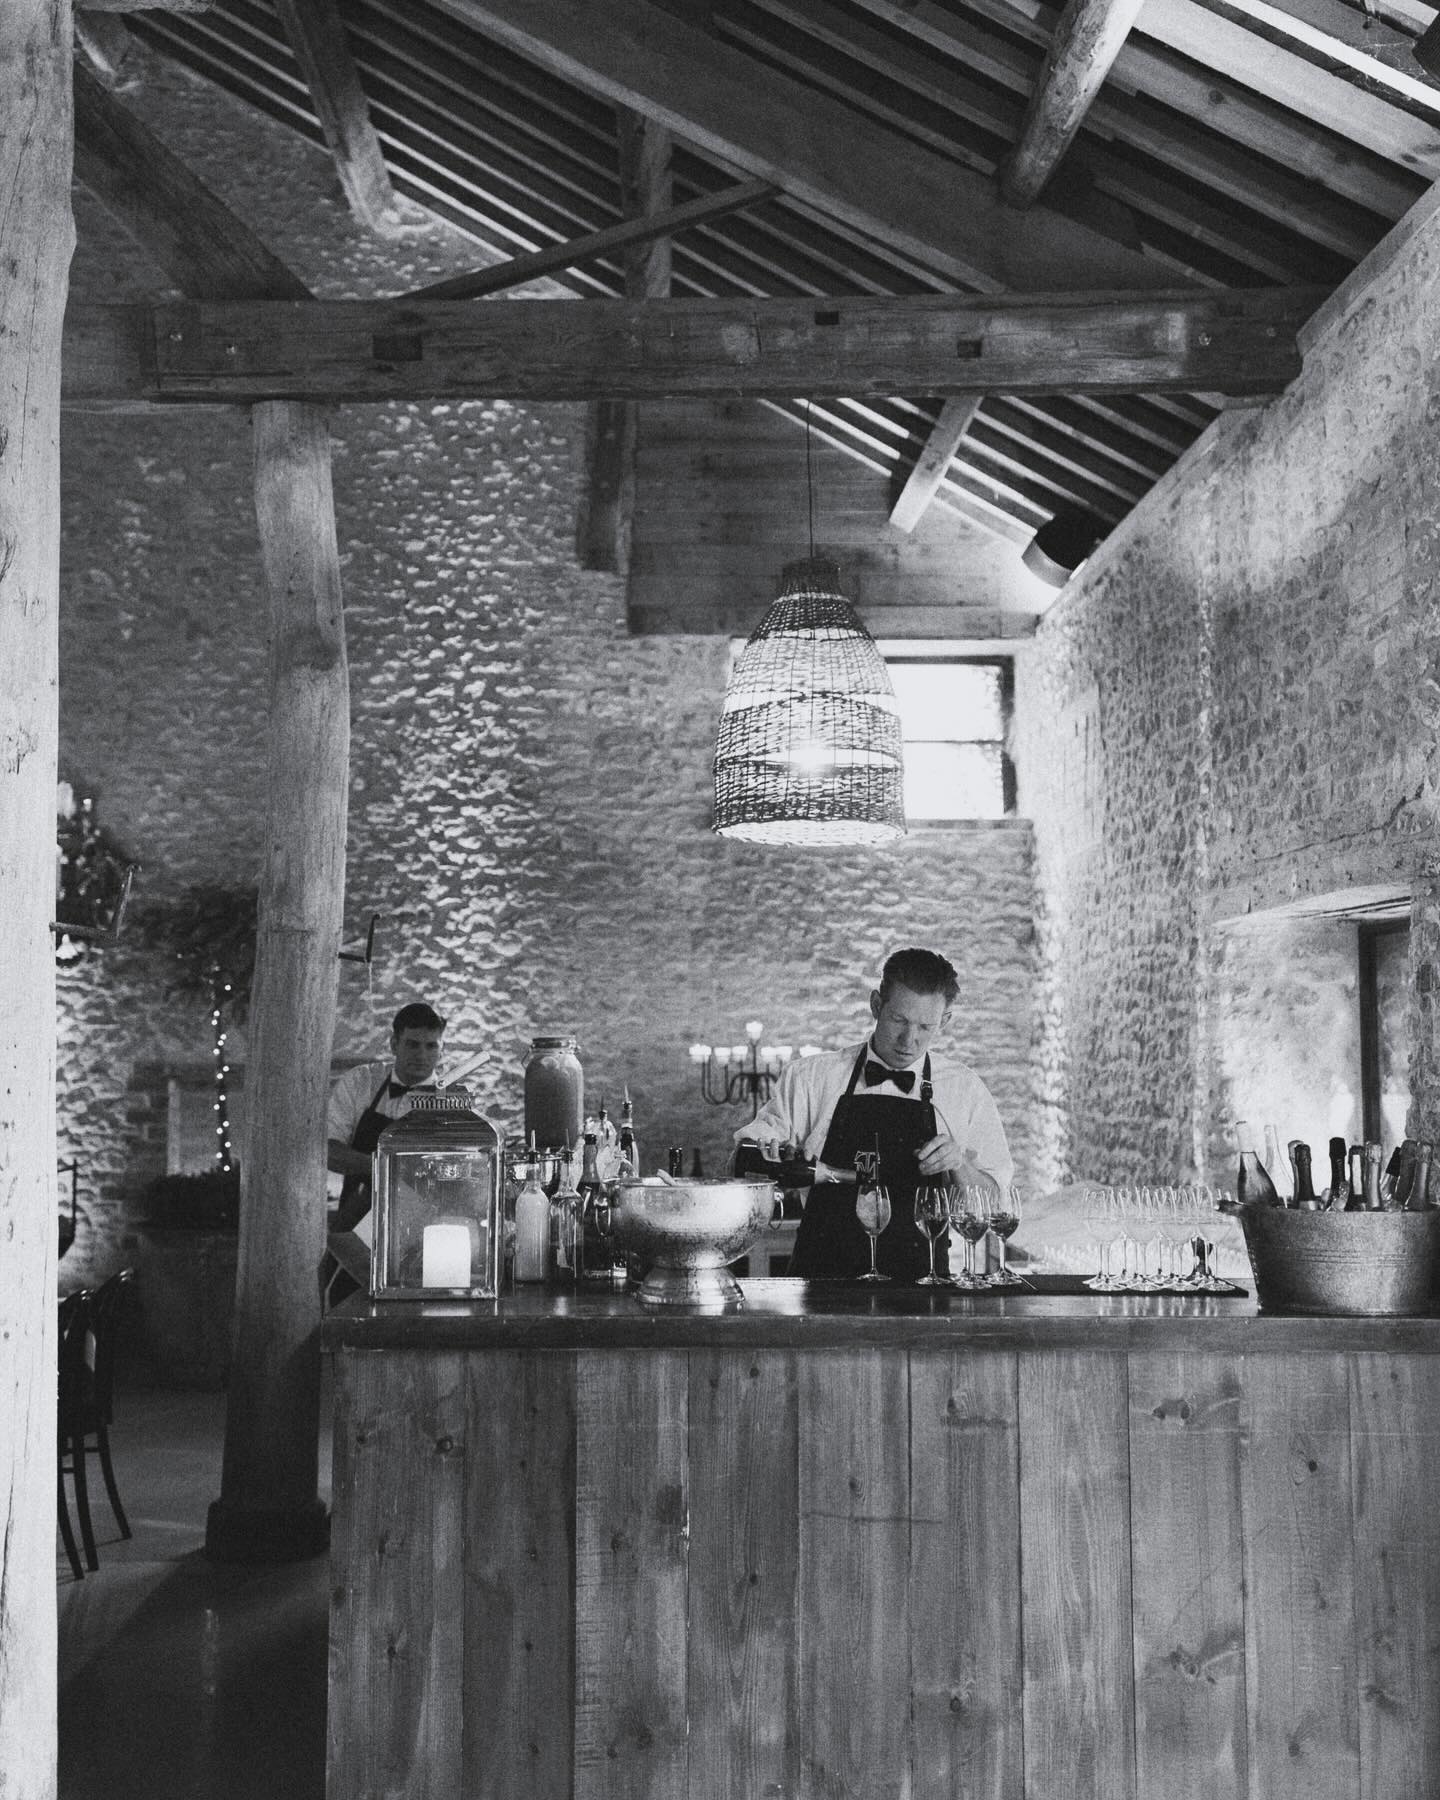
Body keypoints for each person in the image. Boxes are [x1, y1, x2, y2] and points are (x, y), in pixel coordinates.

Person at [735, 948, 1013, 1281]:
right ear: (876, 1006)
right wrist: (766, 1151)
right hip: (820, 1282)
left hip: (923, 1289)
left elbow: (995, 1205)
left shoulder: (964, 1089)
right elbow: (744, 1159)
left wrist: (959, 1165)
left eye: (926, 1027)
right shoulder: (811, 1077)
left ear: (946, 1022)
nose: (909, 1040)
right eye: (899, 1020)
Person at [327, 1001, 448, 1232]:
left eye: (431, 1046)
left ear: (442, 1049)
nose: (422, 1055)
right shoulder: (361, 1081)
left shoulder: (451, 1100)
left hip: (424, 1227)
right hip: (357, 1215)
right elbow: (330, 1152)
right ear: (394, 1044)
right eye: (413, 1045)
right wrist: (389, 1167)